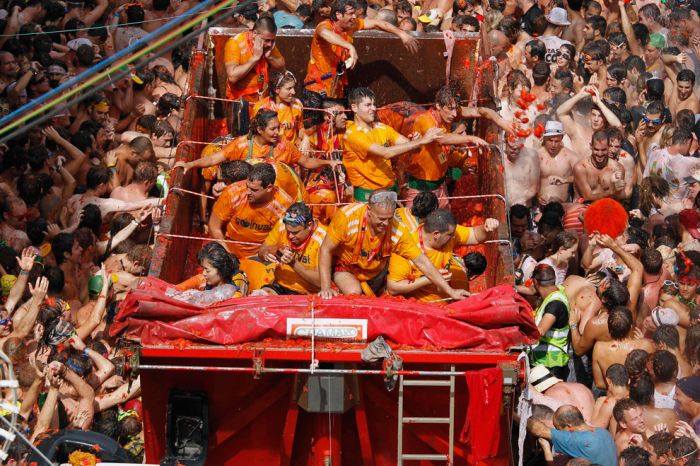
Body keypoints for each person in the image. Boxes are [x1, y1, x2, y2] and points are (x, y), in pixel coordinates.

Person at [318, 189, 470, 299]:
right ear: (369, 210)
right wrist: (325, 287)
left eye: (389, 218)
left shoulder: (397, 229)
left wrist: (450, 291)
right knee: (354, 293)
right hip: (347, 268)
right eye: (381, 219)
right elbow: (325, 250)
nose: (386, 224)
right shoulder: (347, 217)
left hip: (377, 273)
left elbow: (422, 261)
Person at [342, 87, 443, 201]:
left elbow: (415, 149)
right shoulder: (352, 134)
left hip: (389, 191)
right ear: (354, 107)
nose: (374, 108)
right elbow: (385, 153)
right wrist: (421, 141)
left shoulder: (381, 127)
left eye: (374, 104)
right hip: (367, 197)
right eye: (368, 105)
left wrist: (416, 141)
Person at [303, 0, 418, 99]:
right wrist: (349, 46)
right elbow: (324, 33)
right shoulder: (325, 25)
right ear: (339, 15)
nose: (354, 17)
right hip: (316, 89)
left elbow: (378, 24)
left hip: (337, 89)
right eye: (350, 14)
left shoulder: (352, 25)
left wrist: (401, 34)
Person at [400, 85, 489, 208]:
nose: (454, 114)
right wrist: (471, 138)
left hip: (440, 187)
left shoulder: (445, 121)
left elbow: (443, 155)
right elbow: (441, 139)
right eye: (450, 109)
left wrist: (462, 165)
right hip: (420, 189)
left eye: (456, 109)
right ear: (438, 106)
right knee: (417, 225)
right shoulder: (425, 120)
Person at [386, 209, 498, 302]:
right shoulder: (405, 248)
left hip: (448, 304)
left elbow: (475, 235)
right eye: (450, 235)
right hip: (422, 310)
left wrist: (486, 228)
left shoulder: (449, 232)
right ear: (436, 234)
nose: (454, 237)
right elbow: (393, 288)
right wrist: (431, 278)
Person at [208, 162, 294, 259]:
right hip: (228, 248)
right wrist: (228, 255)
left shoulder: (284, 205)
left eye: (254, 190)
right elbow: (213, 226)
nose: (247, 192)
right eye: (247, 186)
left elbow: (287, 238)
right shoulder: (233, 192)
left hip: (261, 255)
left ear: (269, 188)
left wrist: (266, 253)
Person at [223, 16, 286, 133]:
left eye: (272, 40)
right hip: (241, 103)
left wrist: (269, 56)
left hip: (262, 101)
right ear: (255, 33)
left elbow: (282, 66)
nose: (269, 44)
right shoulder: (235, 43)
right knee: (241, 138)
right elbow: (232, 76)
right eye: (266, 40)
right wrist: (255, 58)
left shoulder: (268, 45)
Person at [255, 203, 327, 295]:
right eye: (288, 231)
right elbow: (261, 252)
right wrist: (267, 253)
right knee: (258, 296)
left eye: (295, 232)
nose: (290, 236)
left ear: (309, 226)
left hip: (307, 293)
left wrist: (293, 263)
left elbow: (320, 282)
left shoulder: (323, 238)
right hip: (279, 286)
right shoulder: (282, 224)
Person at [527, 405, 618, 466]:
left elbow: (539, 430)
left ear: (569, 426)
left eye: (558, 429)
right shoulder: (603, 432)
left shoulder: (577, 440)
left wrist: (514, 414)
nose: (558, 432)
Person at [592, 306, 656, 389]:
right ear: (630, 327)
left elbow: (599, 384)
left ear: (609, 327)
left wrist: (619, 390)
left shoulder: (599, 348)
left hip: (615, 395)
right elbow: (656, 374)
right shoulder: (646, 345)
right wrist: (643, 340)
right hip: (640, 394)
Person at [530, 263, 572, 380]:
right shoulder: (558, 291)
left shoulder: (555, 304)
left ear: (535, 282)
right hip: (548, 363)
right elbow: (531, 291)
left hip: (551, 364)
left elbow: (541, 331)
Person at [572, 130, 627, 202]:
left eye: (603, 150)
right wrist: (612, 191)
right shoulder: (581, 167)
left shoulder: (617, 168)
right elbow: (587, 197)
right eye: (596, 149)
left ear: (608, 147)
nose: (600, 154)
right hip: (585, 207)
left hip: (607, 207)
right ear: (591, 146)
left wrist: (617, 190)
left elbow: (617, 198)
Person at [537, 120, 579, 205]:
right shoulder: (537, 156)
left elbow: (582, 178)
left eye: (556, 141)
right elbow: (529, 182)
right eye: (550, 140)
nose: (553, 145)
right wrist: (538, 197)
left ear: (562, 139)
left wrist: (565, 180)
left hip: (563, 206)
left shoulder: (571, 157)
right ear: (544, 138)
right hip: (539, 207)